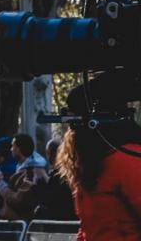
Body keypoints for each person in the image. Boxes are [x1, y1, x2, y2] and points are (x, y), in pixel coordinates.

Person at [54, 72, 141, 241]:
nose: (71, 132)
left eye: (75, 124)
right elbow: (89, 227)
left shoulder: (127, 159)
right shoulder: (87, 162)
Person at [0, 133, 47, 221]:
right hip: (17, 223)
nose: (11, 149)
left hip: (22, 223)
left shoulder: (31, 172)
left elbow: (19, 201)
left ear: (18, 149)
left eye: (12, 146)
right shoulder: (22, 168)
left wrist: (2, 186)